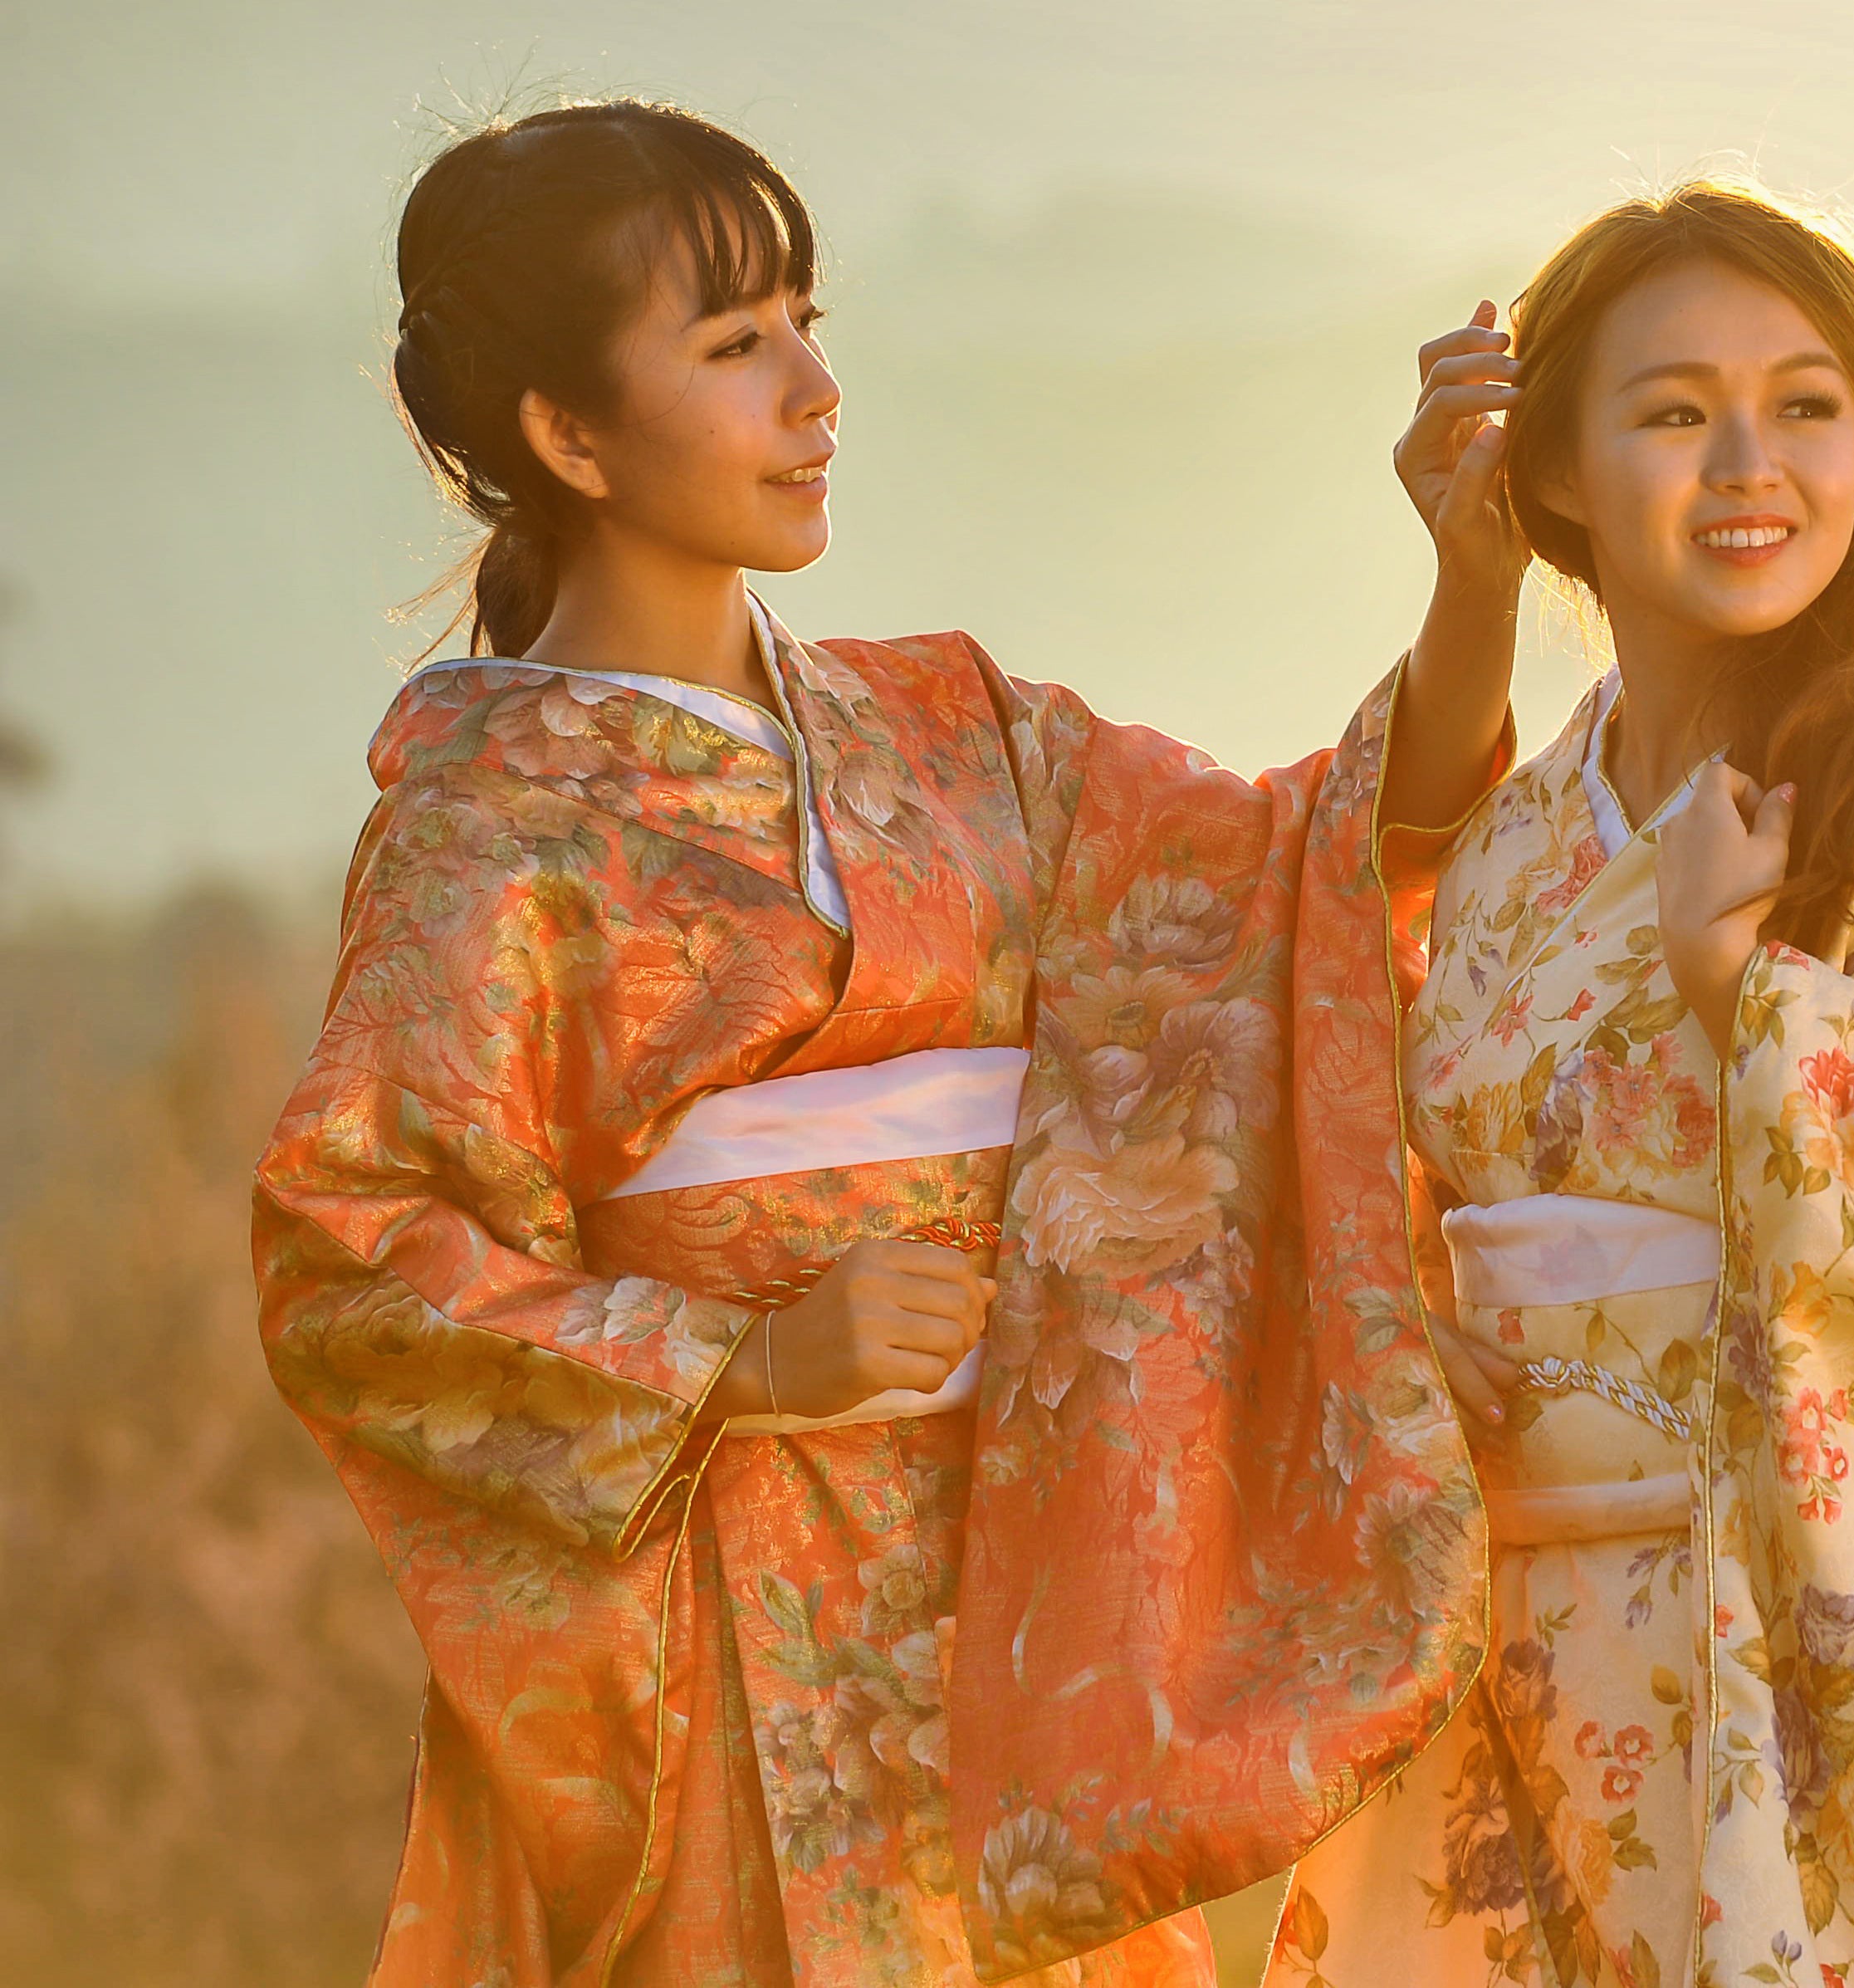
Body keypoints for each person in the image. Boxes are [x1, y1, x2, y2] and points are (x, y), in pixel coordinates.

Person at [252, 100, 1514, 1985]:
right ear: (566, 434)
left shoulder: (952, 725)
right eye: (737, 344)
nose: (817, 389)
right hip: (727, 1620)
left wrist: (1474, 571)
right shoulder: (489, 821)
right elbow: (353, 1257)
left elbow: (1297, 874)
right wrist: (740, 1361)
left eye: (808, 321)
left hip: (1016, 1589)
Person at [1273, 180, 1854, 1988]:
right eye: (1673, 412)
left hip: (1788, 1647)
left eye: (1805, 405)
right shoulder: (1527, 832)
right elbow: (1327, 995)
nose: (1749, 462)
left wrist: (1747, 994)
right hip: (1513, 1641)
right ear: (1561, 476)